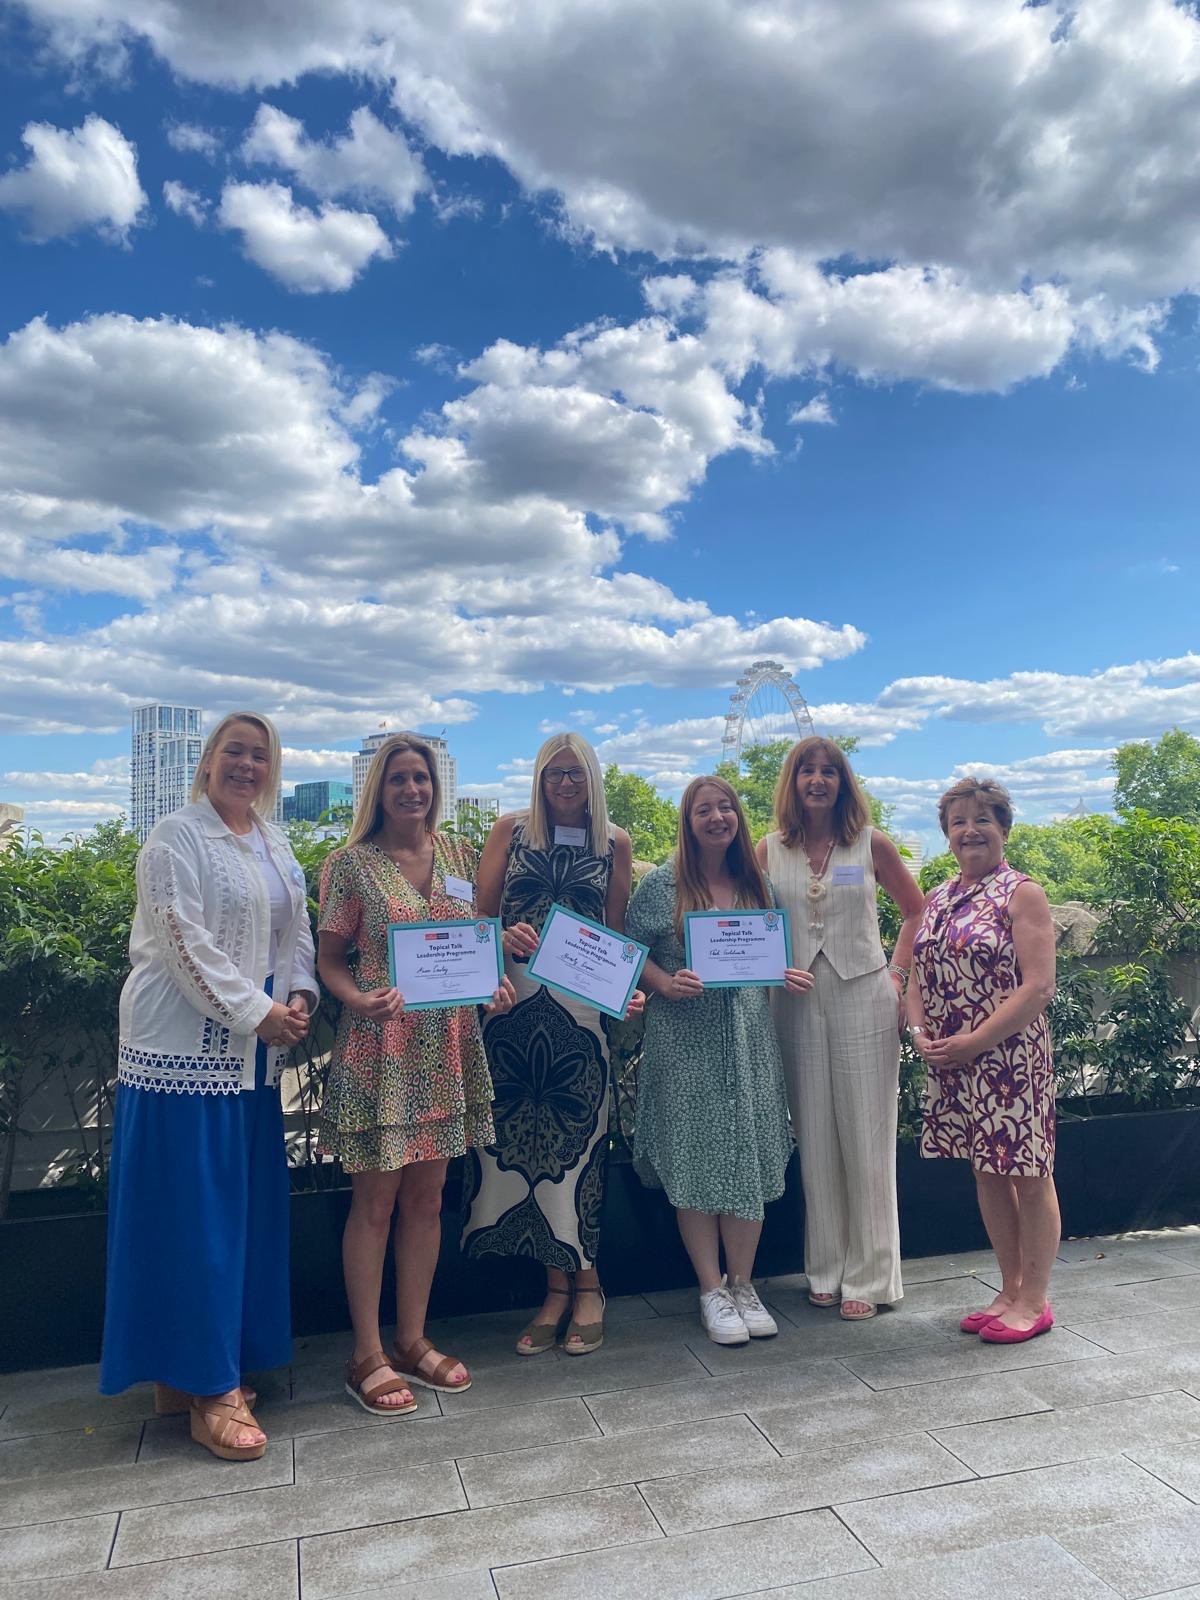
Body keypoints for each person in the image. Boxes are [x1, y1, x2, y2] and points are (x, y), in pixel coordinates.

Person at [101, 712, 316, 1463]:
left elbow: (297, 932)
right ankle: (208, 1386)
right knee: (194, 1223)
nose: (247, 765)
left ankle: (197, 1371)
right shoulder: (176, 837)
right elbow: (180, 940)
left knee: (236, 1219)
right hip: (182, 1055)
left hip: (251, 1061)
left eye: (260, 755)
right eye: (235, 751)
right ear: (208, 760)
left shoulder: (274, 840)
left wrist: (299, 995)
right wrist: (260, 1012)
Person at [317, 734, 513, 1413]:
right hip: (383, 1050)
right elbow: (330, 959)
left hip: (448, 1046)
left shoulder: (458, 854)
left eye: (421, 778)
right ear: (379, 788)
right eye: (398, 778)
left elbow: (474, 940)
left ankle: (411, 1339)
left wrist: (492, 983)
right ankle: (365, 1353)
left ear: (436, 785)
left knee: (428, 1201)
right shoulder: (350, 865)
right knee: (374, 1204)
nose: (412, 790)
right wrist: (355, 998)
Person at [462, 732, 640, 1357]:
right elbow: (478, 918)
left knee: (579, 1147)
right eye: (554, 773)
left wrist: (626, 992)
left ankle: (588, 1285)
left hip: (583, 1013)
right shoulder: (509, 832)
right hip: (512, 1007)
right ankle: (554, 1289)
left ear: (592, 778)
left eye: (576, 773)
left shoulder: (614, 842)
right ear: (539, 778)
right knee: (526, 1152)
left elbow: (615, 931)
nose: (565, 783)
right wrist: (500, 937)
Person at [627, 777, 813, 1344]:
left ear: (738, 816)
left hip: (748, 1041)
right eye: (703, 810)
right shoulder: (662, 885)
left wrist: (782, 973)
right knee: (694, 1158)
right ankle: (711, 1288)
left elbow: (768, 954)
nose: (716, 818)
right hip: (684, 1042)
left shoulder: (757, 884)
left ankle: (743, 1283)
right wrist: (664, 982)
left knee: (747, 1157)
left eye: (725, 807)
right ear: (688, 822)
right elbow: (630, 951)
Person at [757, 737, 925, 1320]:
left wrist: (897, 974)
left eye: (829, 771)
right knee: (814, 1135)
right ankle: (825, 1266)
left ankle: (872, 1276)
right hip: (794, 1000)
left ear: (843, 782)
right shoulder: (769, 850)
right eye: (807, 771)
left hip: (864, 993)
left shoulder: (870, 842)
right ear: (792, 782)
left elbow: (916, 910)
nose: (817, 780)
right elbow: (747, 923)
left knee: (867, 1135)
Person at [908, 777, 1059, 1342]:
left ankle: (1035, 1299)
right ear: (947, 835)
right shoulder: (939, 897)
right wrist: (919, 1031)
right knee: (987, 1170)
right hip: (955, 1061)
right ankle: (1010, 1287)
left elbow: (1038, 986)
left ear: (1004, 829)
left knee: (1029, 1172)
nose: (969, 831)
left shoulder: (1023, 893)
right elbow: (917, 971)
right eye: (958, 822)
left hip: (1010, 1059)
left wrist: (974, 1041)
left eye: (982, 820)